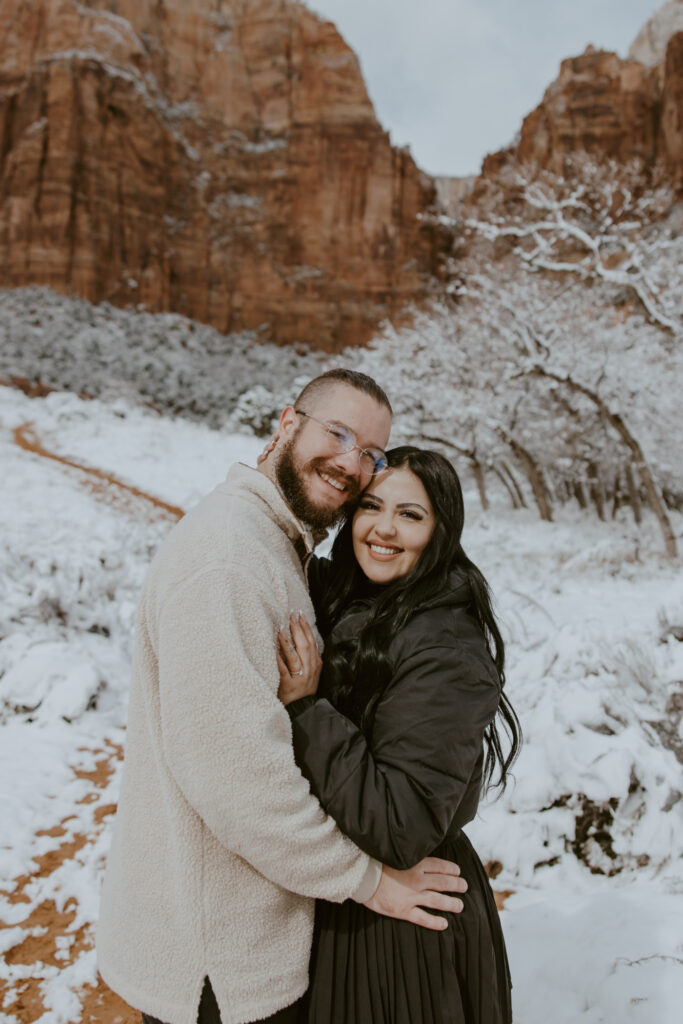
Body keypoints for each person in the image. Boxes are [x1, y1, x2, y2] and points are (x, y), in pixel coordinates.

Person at [96, 371, 467, 1024]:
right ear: (286, 423)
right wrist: (370, 882)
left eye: (371, 454)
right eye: (338, 433)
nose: (352, 464)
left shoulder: (273, 542)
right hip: (220, 966)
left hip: (241, 943)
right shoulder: (231, 558)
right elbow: (240, 783)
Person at [276, 446, 521, 1024]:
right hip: (354, 894)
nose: (384, 529)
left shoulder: (446, 648)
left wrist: (307, 709)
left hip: (405, 920)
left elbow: (399, 822)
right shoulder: (359, 598)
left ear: (441, 530)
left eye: (411, 515)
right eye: (370, 507)